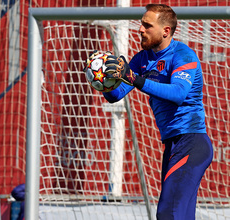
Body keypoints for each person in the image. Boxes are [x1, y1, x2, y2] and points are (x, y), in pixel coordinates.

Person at [85, 4, 213, 220]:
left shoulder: (183, 54)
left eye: (147, 25)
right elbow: (116, 95)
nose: (141, 29)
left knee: (168, 213)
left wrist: (135, 79)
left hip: (192, 143)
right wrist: (102, 81)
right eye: (141, 24)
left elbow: (178, 94)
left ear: (166, 31)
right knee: (178, 215)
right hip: (173, 145)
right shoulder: (141, 59)